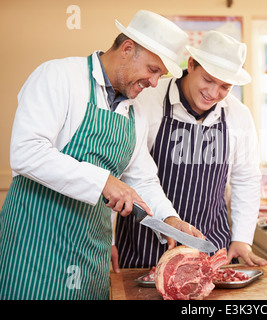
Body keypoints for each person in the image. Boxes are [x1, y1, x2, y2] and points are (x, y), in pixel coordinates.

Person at [0, 10, 203, 300]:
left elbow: (142, 180)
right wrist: (105, 181)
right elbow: (26, 152)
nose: (155, 82)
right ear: (127, 49)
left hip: (90, 248)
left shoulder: (137, 111)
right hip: (34, 244)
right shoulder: (58, 76)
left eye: (160, 74)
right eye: (152, 69)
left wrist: (169, 219)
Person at [115, 30, 267, 268]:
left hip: (209, 247)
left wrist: (241, 238)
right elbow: (126, 172)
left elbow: (246, 179)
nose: (213, 93)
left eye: (225, 87)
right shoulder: (148, 100)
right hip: (144, 247)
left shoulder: (238, 115)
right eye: (208, 80)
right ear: (191, 64)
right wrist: (110, 240)